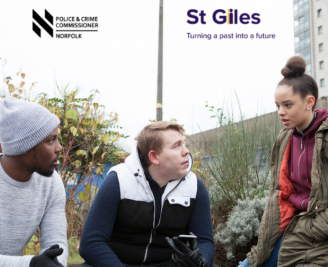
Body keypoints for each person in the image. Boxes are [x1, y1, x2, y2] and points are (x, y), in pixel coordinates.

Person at [79, 121, 216, 267]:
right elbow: (91, 243)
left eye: (184, 143)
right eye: (176, 146)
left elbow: (204, 241)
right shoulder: (118, 181)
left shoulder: (195, 187)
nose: (186, 151)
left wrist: (202, 262)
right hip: (120, 263)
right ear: (154, 157)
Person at [238, 56, 328, 267]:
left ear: (309, 102)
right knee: (248, 264)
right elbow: (279, 192)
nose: (280, 112)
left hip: (318, 228)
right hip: (291, 220)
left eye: (287, 105)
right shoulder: (284, 138)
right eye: (277, 105)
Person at [0, 97, 68, 267]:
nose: (59, 148)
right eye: (50, 140)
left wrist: (54, 263)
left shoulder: (51, 184)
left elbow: (56, 242)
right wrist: (32, 264)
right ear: (25, 146)